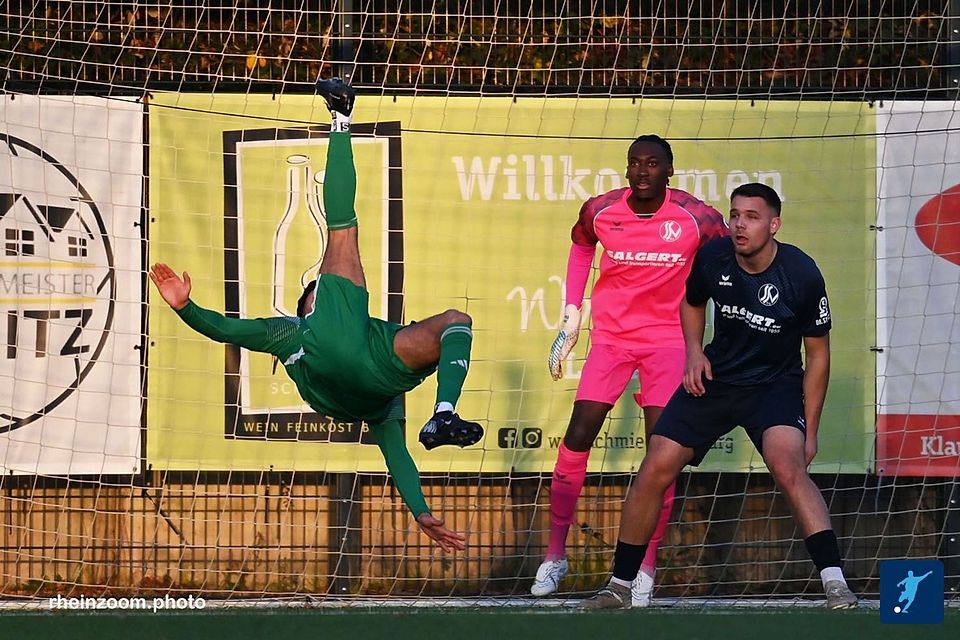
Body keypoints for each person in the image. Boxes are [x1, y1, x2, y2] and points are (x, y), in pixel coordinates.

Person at [149, 79, 483, 551]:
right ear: (314, 301)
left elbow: (396, 455)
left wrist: (422, 512)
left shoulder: (291, 336)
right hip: (359, 363)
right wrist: (186, 307)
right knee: (349, 235)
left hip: (357, 387)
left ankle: (444, 416)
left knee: (453, 322)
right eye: (316, 292)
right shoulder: (301, 326)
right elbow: (396, 456)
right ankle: (341, 118)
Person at [581, 182, 859, 609]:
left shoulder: (801, 274)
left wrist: (812, 429)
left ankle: (835, 582)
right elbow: (691, 304)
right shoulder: (713, 258)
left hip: (774, 386)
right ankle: (619, 585)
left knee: (788, 465)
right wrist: (694, 352)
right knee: (656, 463)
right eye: (735, 215)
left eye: (751, 217)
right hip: (718, 379)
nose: (739, 225)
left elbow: (818, 354)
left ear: (774, 224)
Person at [532, 135, 728, 605]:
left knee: (660, 454)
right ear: (626, 170)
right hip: (613, 340)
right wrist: (571, 315)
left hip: (667, 342)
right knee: (578, 435)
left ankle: (645, 567)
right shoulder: (600, 210)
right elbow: (581, 247)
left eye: (653, 164)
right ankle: (555, 556)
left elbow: (728, 259)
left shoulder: (696, 218)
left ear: (669, 171)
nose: (643, 171)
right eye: (635, 163)